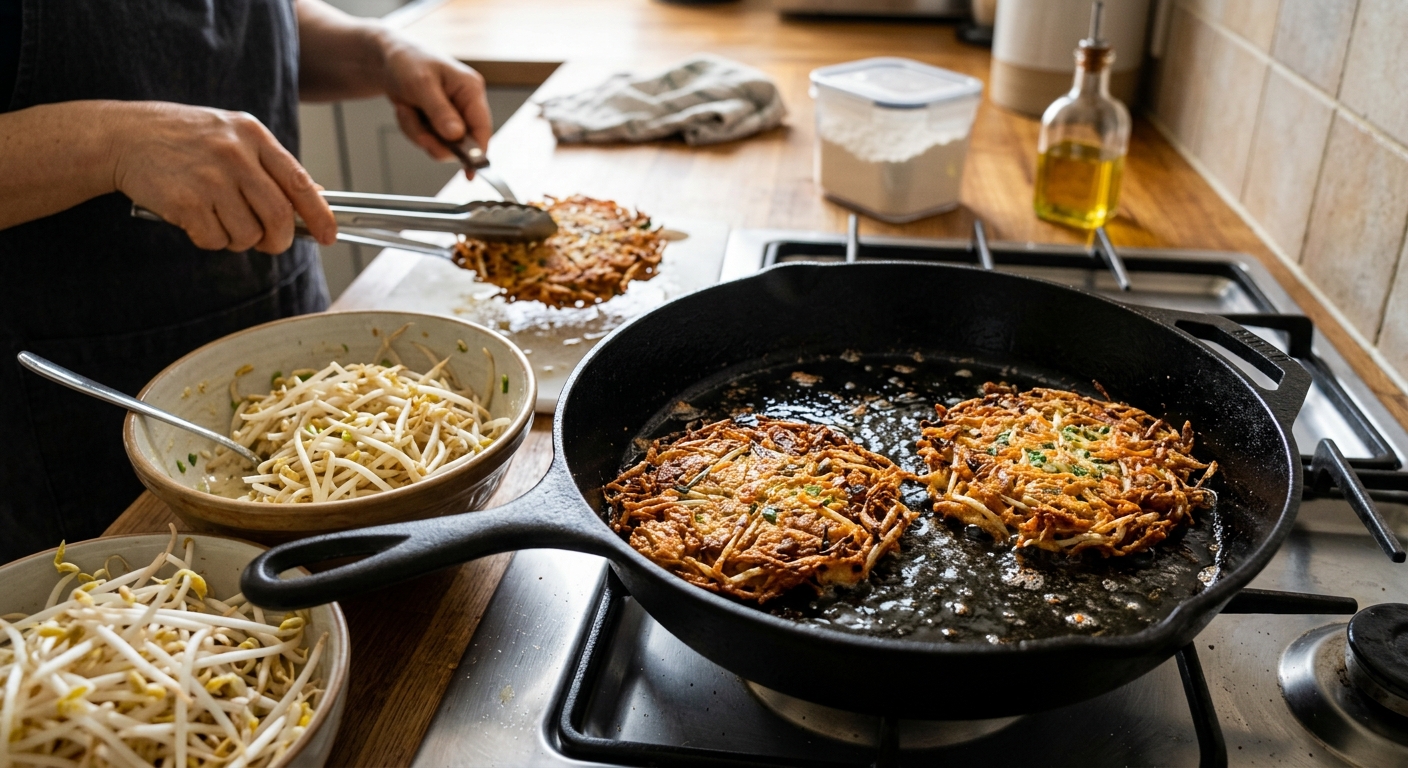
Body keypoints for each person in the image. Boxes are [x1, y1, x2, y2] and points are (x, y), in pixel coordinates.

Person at [0, 0, 493, 563]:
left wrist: (374, 51)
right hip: (75, 409)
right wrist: (111, 141)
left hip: (292, 338)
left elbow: (232, 26)